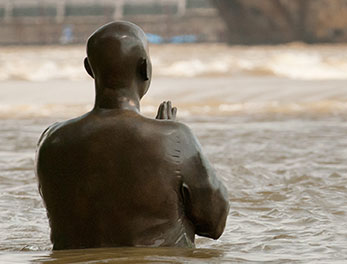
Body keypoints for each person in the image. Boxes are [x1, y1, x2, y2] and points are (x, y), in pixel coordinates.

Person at [36, 21, 229, 250]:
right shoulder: (175, 138)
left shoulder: (51, 140)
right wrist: (166, 140)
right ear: (145, 68)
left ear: (89, 69)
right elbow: (214, 223)